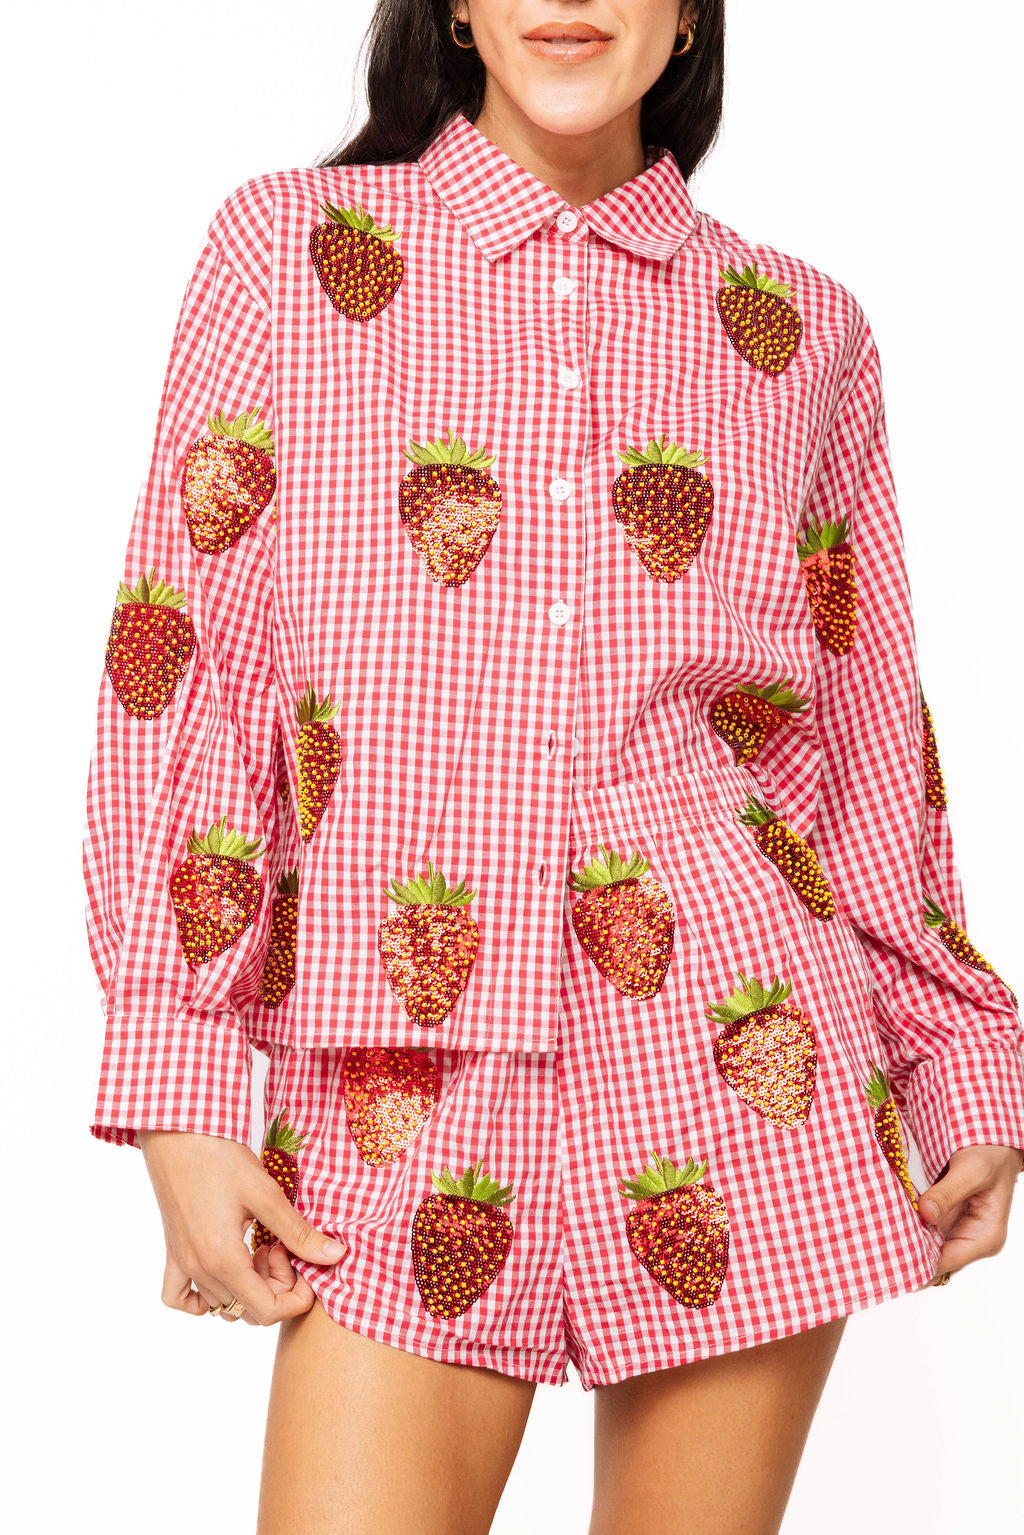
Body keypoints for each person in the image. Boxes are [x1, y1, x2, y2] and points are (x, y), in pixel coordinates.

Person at [82, 2, 1024, 1531]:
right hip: (401, 1068)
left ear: (690, 11)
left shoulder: (803, 328)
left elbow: (857, 742)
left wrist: (959, 1062)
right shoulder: (293, 252)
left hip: (740, 1055)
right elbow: (187, 663)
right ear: (456, 3)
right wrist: (178, 1079)